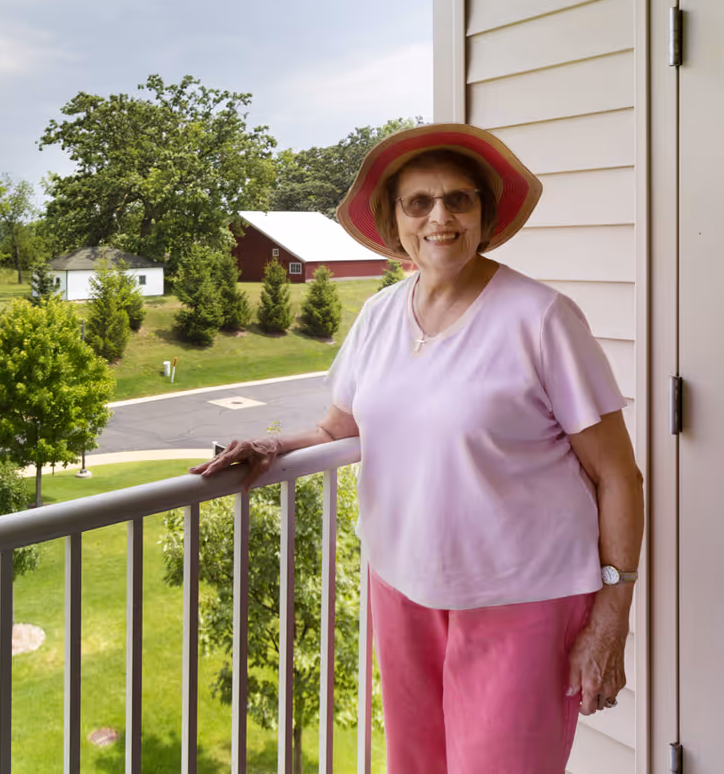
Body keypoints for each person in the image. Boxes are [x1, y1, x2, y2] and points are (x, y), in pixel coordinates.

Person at [193, 123, 643, 773]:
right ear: (395, 221)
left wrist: (611, 619)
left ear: (484, 215)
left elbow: (619, 477)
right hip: (403, 586)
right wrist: (268, 446)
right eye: (419, 202)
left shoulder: (541, 318)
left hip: (523, 596)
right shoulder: (379, 316)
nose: (441, 217)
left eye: (460, 199)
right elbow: (337, 428)